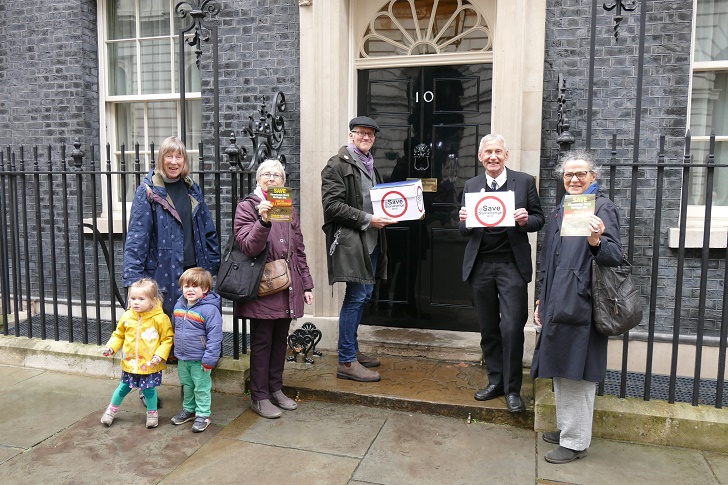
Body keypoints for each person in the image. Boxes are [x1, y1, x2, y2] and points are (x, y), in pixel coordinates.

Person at [531, 149, 623, 464]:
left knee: (577, 373)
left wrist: (597, 240)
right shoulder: (563, 209)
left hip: (582, 302)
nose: (574, 179)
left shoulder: (602, 207)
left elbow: (614, 256)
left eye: (581, 174)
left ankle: (575, 441)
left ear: (593, 177)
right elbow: (550, 259)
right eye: (569, 174)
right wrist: (542, 296)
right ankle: (572, 428)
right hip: (558, 299)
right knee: (562, 367)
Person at [458, 134, 545, 412]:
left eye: (498, 152)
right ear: (480, 157)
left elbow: (539, 219)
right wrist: (464, 221)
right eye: (488, 152)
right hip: (481, 265)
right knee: (489, 328)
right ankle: (495, 381)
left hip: (511, 265)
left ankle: (513, 389)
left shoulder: (524, 182)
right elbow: (463, 229)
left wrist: (524, 221)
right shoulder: (472, 185)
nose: (493, 156)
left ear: (506, 155)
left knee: (511, 328)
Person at [234, 158, 314, 419]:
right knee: (262, 341)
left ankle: (275, 389)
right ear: (258, 180)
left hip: (287, 286)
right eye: (266, 174)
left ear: (283, 181)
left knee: (281, 340)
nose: (271, 178)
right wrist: (263, 220)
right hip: (263, 287)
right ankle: (258, 396)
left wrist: (307, 284)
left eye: (276, 175)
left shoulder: (287, 207)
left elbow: (298, 249)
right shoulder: (247, 207)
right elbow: (248, 247)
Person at [321, 116, 396, 383]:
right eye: (361, 133)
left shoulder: (371, 166)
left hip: (373, 242)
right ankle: (346, 361)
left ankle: (351, 351)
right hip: (354, 243)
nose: (366, 137)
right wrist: (368, 219)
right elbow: (332, 207)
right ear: (351, 135)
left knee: (363, 297)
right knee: (355, 298)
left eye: (370, 134)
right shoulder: (336, 165)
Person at [122, 135, 220, 319]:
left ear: (184, 160)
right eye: (169, 156)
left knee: (194, 329)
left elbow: (208, 229)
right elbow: (136, 240)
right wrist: (133, 284)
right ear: (161, 159)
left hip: (193, 274)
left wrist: (211, 269)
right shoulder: (148, 191)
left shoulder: (192, 188)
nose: (174, 162)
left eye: (179, 157)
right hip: (162, 274)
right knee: (165, 331)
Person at [100, 278, 174, 428]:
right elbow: (119, 334)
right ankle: (111, 411)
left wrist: (159, 356)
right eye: (133, 298)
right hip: (130, 363)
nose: (136, 302)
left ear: (153, 300)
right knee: (123, 387)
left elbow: (167, 339)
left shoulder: (160, 319)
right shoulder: (128, 316)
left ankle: (152, 413)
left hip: (149, 363)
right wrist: (111, 347)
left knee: (149, 390)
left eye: (141, 299)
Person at [170, 267, 223, 433]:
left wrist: (209, 359)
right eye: (186, 286)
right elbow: (175, 329)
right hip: (183, 357)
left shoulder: (210, 310)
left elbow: (215, 337)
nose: (190, 290)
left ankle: (203, 414)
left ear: (205, 289)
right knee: (187, 385)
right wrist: (174, 350)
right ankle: (189, 410)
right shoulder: (178, 306)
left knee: (201, 387)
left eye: (195, 286)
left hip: (200, 359)